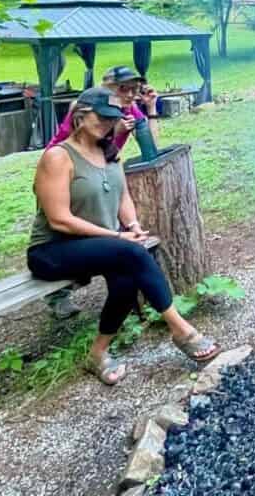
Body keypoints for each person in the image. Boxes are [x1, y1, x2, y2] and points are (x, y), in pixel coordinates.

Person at [28, 87, 219, 385]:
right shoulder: (58, 157)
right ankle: (181, 330)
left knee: (126, 277)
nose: (107, 124)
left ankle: (98, 354)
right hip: (52, 250)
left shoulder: (109, 153)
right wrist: (116, 237)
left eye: (111, 119)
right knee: (130, 254)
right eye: (101, 117)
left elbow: (122, 198)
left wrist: (131, 226)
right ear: (80, 115)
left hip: (96, 245)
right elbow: (59, 220)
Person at [45, 65, 160, 319]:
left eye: (134, 89)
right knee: (66, 232)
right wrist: (115, 133)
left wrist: (151, 110)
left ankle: (128, 298)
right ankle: (58, 294)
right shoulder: (87, 107)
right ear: (105, 86)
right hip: (68, 174)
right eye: (123, 88)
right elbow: (80, 144)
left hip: (102, 175)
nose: (130, 94)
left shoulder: (130, 108)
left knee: (119, 236)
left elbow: (152, 144)